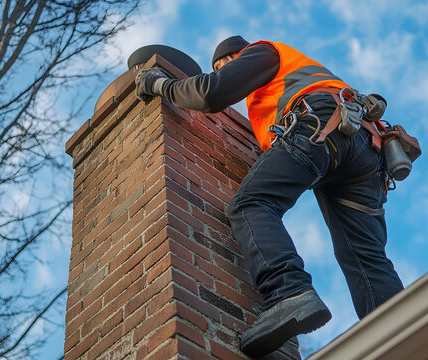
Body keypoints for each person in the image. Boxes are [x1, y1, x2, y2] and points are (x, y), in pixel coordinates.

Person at [135, 35, 404, 357]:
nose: (224, 71)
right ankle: (403, 333)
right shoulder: (274, 94)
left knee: (253, 203)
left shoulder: (261, 52)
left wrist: (159, 85)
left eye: (223, 65)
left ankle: (289, 292)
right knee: (366, 257)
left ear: (237, 54)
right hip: (366, 153)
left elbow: (211, 93)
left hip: (322, 123)